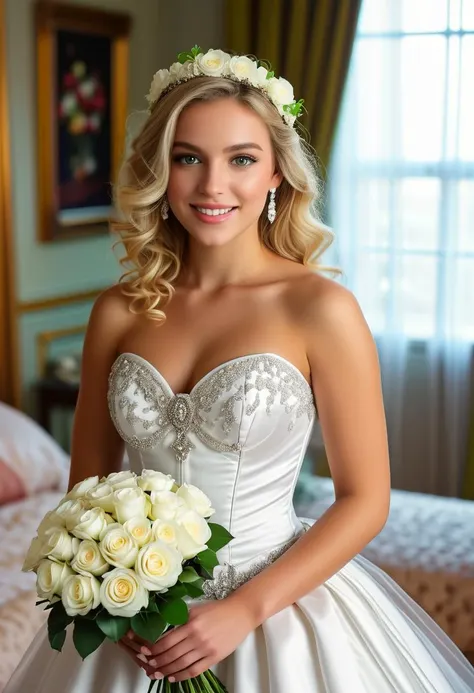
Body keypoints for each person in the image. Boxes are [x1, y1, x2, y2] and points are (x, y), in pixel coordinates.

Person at [5, 47, 474, 693]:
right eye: (188, 157)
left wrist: (239, 612)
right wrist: (124, 604)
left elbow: (366, 499)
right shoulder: (118, 311)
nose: (212, 186)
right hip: (136, 628)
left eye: (241, 159)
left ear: (277, 171)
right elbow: (88, 489)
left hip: (272, 615)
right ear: (161, 170)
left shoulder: (321, 309)